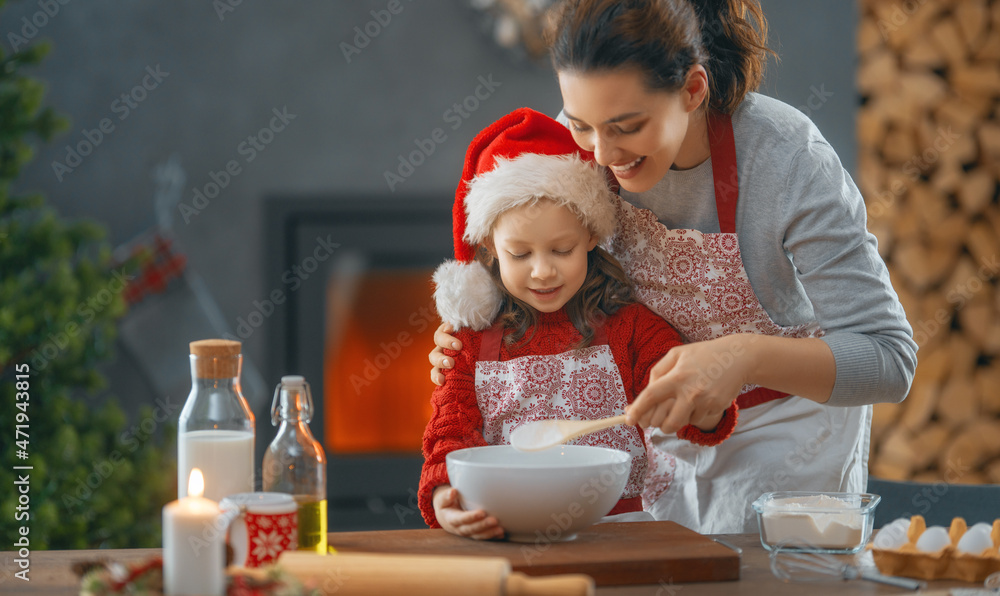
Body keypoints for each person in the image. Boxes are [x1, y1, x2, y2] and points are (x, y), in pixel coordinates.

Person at [430, 0, 918, 534]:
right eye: (580, 125)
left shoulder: (786, 159)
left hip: (789, 456)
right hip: (653, 455)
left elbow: (890, 360)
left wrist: (743, 357)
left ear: (692, 89)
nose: (599, 155)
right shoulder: (585, 143)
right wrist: (469, 338)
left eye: (627, 127)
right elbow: (531, 265)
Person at [418, 107, 737, 540]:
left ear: (590, 236)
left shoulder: (632, 327)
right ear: (491, 249)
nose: (543, 271)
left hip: (619, 533)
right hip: (503, 530)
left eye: (561, 250)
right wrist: (446, 499)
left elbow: (680, 394)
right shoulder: (469, 342)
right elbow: (449, 433)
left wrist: (703, 408)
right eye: (521, 254)